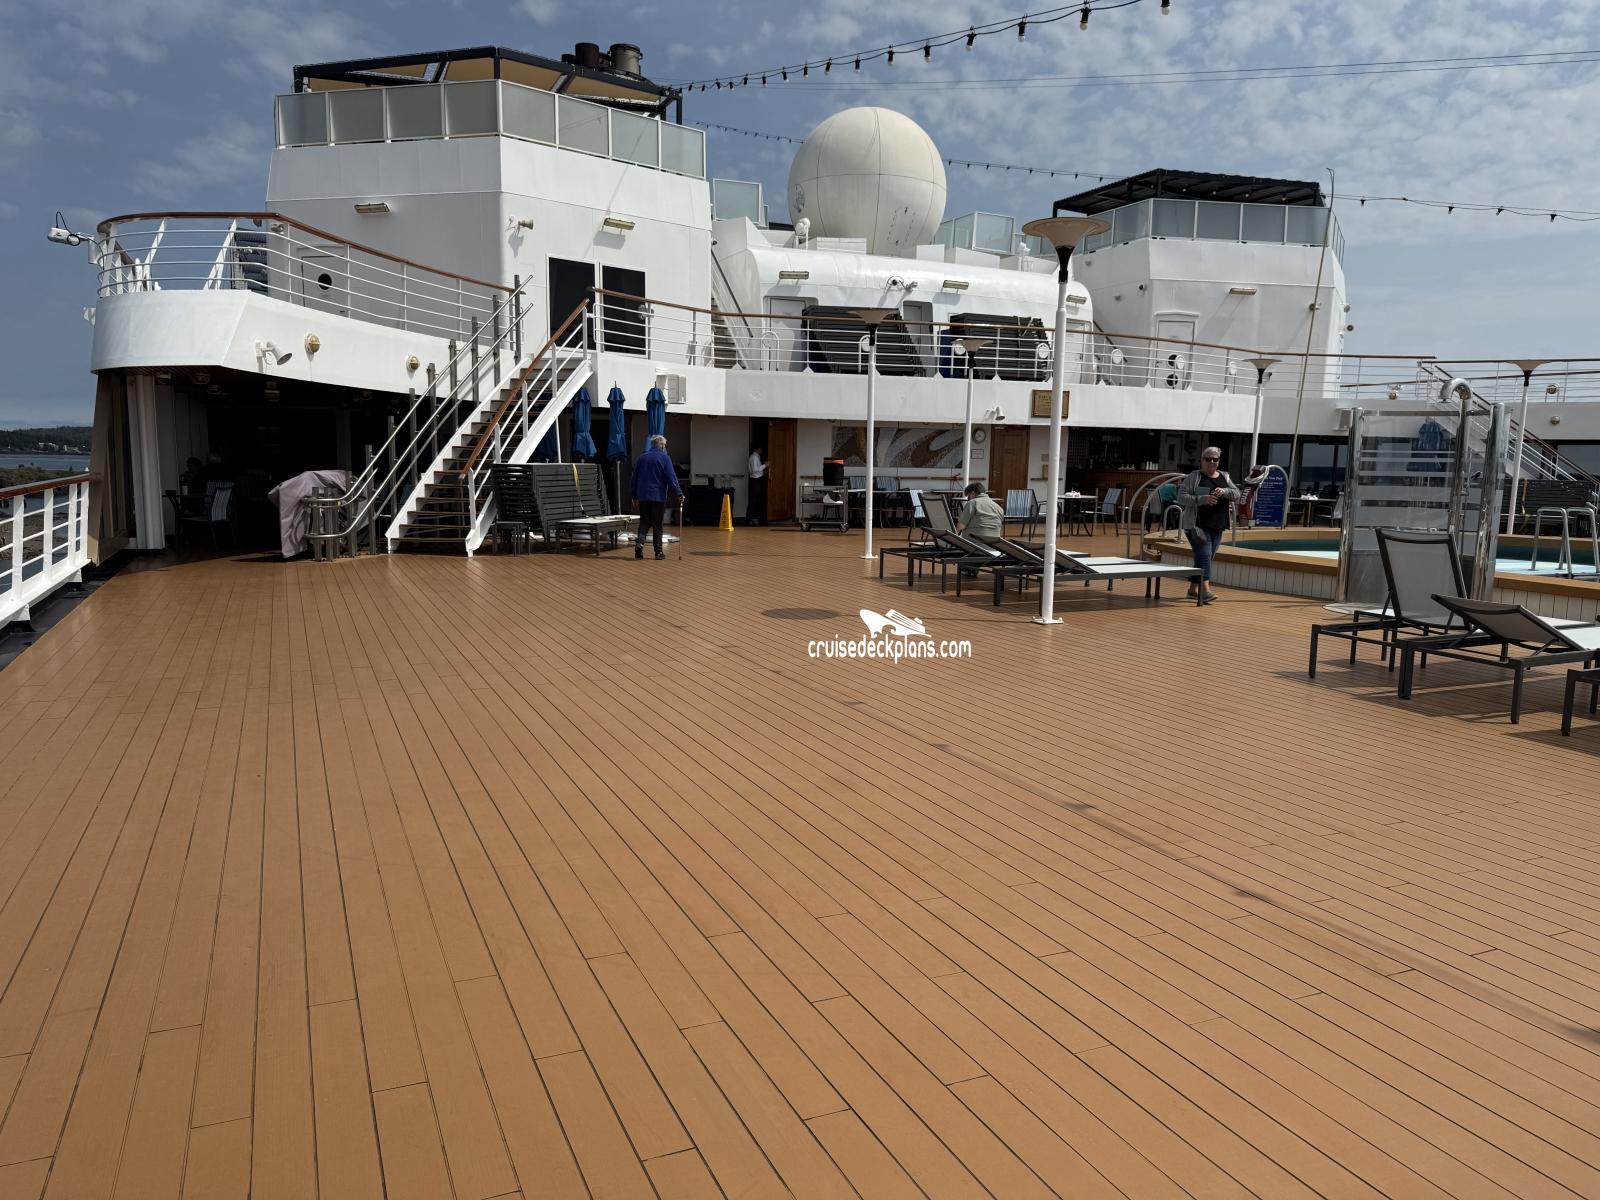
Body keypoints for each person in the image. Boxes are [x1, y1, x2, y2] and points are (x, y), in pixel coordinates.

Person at [1179, 446, 1239, 603]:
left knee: (1205, 557)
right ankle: (1205, 591)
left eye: (1215, 459)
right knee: (1205, 555)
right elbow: (1181, 497)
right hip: (1197, 525)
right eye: (1208, 459)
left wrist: (1225, 491)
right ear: (1202, 461)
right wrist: (1201, 499)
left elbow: (1237, 494)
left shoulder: (1225, 477)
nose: (1212, 462)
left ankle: (1192, 590)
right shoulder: (1194, 477)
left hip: (1218, 524)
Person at [631, 434, 683, 559]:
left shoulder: (641, 458)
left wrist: (634, 496)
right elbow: (671, 478)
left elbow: (634, 479)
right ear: (662, 445)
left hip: (643, 496)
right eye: (665, 445)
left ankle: (640, 543)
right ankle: (658, 552)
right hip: (658, 497)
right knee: (657, 525)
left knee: (644, 522)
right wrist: (679, 493)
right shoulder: (665, 458)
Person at [747, 445, 767, 526]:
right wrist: (765, 465)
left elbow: (756, 470)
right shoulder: (754, 457)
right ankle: (749, 520)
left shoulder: (756, 457)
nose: (762, 450)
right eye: (761, 448)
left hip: (757, 480)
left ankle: (754, 519)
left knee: (756, 501)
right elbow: (754, 470)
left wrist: (762, 473)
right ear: (758, 449)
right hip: (755, 481)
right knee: (753, 501)